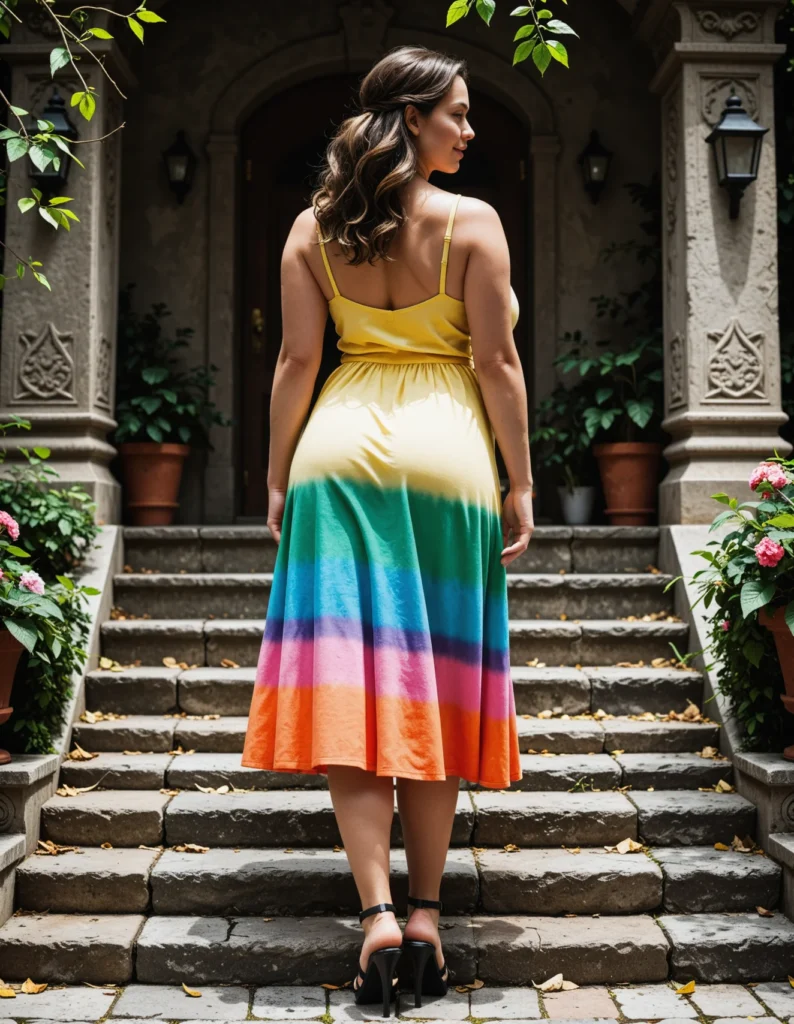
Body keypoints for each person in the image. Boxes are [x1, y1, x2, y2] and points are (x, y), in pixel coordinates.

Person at [241, 43, 534, 1019]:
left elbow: (294, 360)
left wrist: (277, 477)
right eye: (455, 112)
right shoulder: (472, 223)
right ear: (410, 117)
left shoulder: (312, 229)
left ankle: (371, 917)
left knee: (349, 689)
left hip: (337, 458)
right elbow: (495, 364)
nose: (467, 128)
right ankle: (424, 918)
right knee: (438, 689)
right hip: (446, 460)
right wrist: (519, 482)